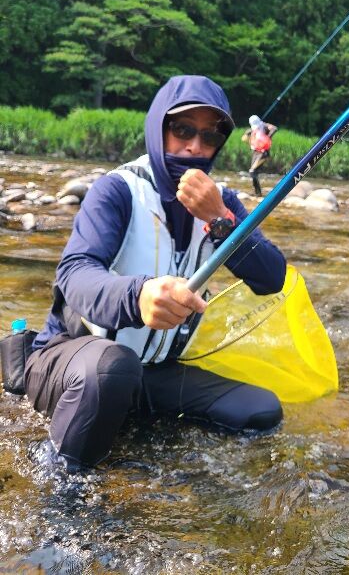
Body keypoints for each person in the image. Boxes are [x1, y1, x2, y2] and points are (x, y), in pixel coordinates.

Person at [25, 76, 287, 471]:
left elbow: (271, 278)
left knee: (260, 410)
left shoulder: (223, 203)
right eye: (182, 129)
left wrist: (221, 220)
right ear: (158, 127)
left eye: (209, 136)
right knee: (112, 369)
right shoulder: (116, 190)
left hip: (152, 371)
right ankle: (63, 488)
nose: (194, 146)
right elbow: (74, 274)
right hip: (69, 359)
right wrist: (139, 295)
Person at [242, 115, 277, 196]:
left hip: (263, 153)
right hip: (255, 153)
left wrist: (267, 137)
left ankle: (258, 193)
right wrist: (248, 134)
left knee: (252, 171)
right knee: (253, 173)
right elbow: (243, 139)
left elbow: (275, 128)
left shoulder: (265, 126)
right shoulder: (252, 130)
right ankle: (257, 192)